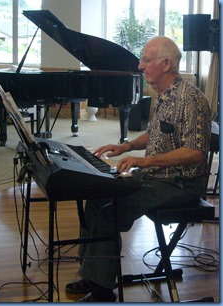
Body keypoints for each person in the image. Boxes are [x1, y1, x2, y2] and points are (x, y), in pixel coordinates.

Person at [65, 36, 211, 302]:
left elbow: (195, 152)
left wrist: (142, 161)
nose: (140, 66)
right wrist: (128, 146)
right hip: (156, 178)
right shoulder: (164, 95)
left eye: (145, 60)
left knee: (108, 208)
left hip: (180, 185)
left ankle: (102, 290)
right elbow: (155, 134)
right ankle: (94, 273)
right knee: (97, 194)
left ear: (166, 64)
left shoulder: (190, 100)